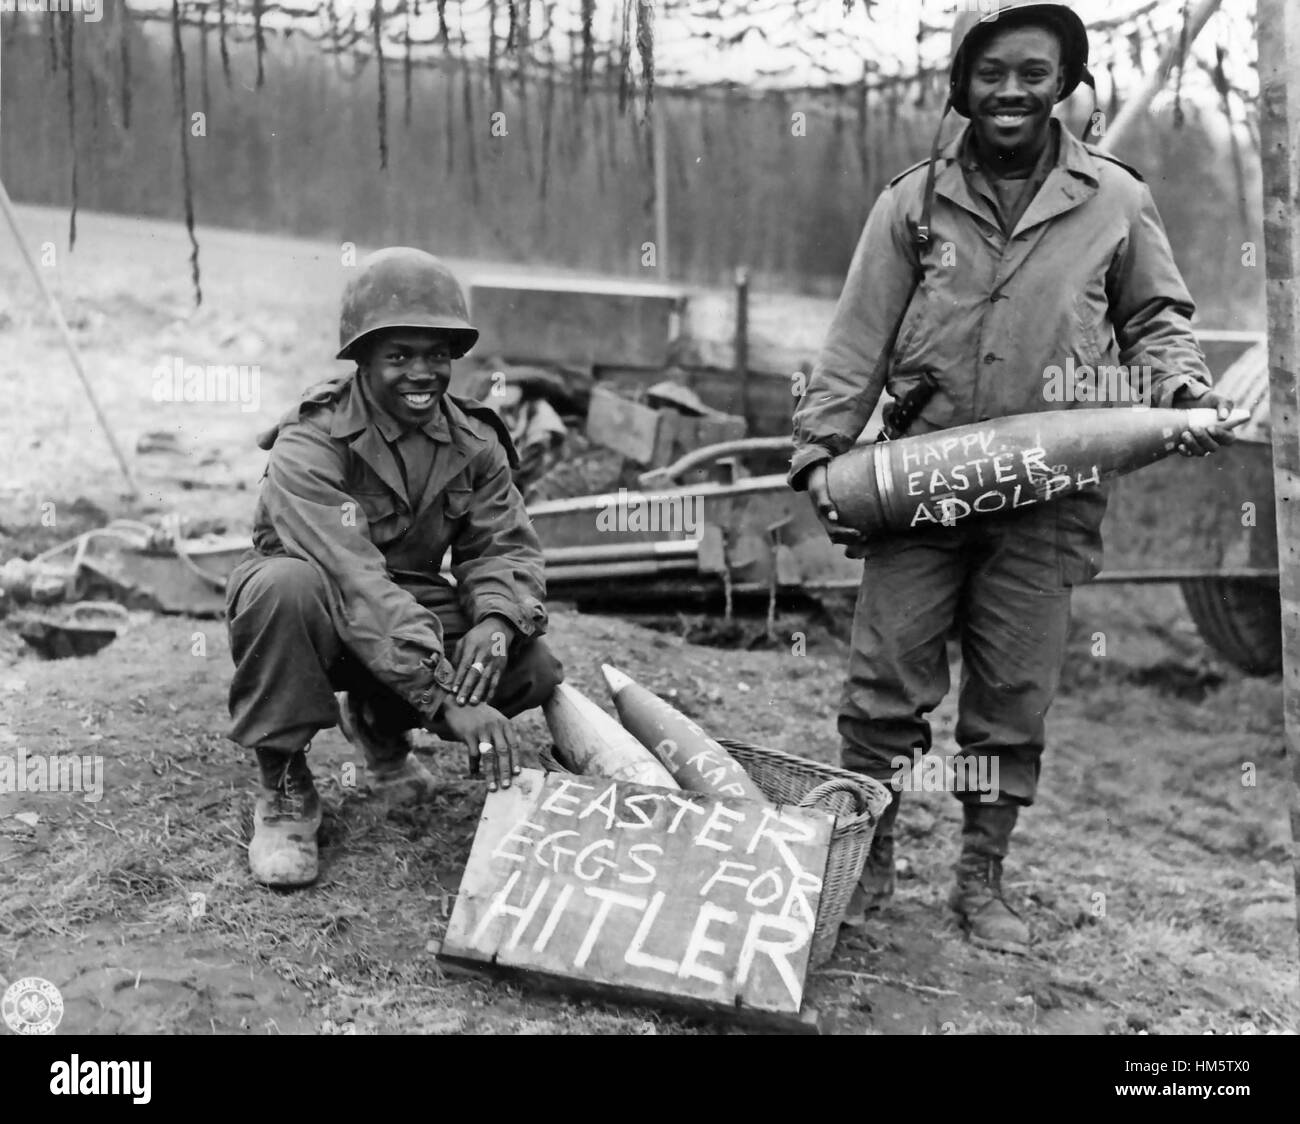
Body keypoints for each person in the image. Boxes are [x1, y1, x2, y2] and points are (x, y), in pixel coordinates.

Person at [789, 1, 1237, 953]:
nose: (1012, 91)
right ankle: (868, 863)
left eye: (1034, 72)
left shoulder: (1115, 199)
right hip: (922, 483)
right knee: (884, 687)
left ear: (1063, 83)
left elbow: (1156, 317)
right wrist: (822, 451)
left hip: (1050, 496)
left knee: (1012, 697)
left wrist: (1181, 392)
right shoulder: (911, 202)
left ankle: (981, 877)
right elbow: (858, 336)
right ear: (963, 84)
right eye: (991, 73)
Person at [225, 247, 563, 888]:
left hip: (398, 608)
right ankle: (284, 783)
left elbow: (503, 548)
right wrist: (443, 693)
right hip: (316, 603)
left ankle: (379, 723)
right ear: (360, 360)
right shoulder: (311, 441)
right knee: (283, 588)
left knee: (530, 665)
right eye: (399, 355)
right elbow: (350, 576)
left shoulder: (474, 443)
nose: (422, 372)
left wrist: (495, 623)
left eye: (437, 354)